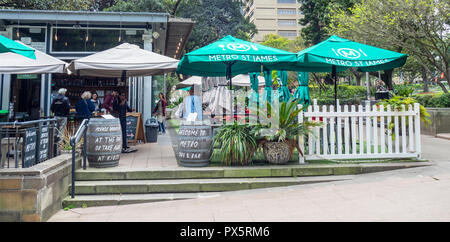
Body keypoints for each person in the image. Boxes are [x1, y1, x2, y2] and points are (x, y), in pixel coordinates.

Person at [50, 88, 71, 152]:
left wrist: (55, 112)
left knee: (55, 128)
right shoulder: (66, 99)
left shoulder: (55, 98)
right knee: (62, 129)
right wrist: (66, 114)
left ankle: (53, 142)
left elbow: (52, 108)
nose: (65, 93)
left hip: (56, 115)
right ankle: (60, 144)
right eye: (65, 92)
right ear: (64, 92)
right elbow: (68, 107)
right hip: (63, 116)